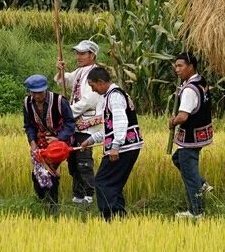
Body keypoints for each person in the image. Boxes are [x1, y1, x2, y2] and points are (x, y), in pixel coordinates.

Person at [88, 66, 143, 220]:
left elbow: (120, 121)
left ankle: (110, 216)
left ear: (100, 82)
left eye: (93, 86)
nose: (93, 90)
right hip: (127, 146)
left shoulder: (115, 96)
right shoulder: (113, 95)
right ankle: (118, 217)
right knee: (114, 183)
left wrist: (115, 146)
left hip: (123, 147)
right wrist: (92, 139)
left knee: (102, 181)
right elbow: (110, 126)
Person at [22, 74, 78, 214]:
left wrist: (58, 139)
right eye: (34, 93)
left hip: (60, 143)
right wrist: (32, 142)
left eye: (40, 92)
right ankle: (42, 202)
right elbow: (28, 125)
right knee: (37, 174)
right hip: (41, 141)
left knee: (49, 171)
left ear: (45, 90)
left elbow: (70, 123)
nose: (37, 96)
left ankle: (53, 207)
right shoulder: (27, 103)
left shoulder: (59, 101)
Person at [170, 51, 215, 219]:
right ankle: (202, 184)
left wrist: (172, 122)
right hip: (202, 133)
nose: (177, 69)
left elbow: (183, 116)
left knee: (189, 175)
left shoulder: (189, 89)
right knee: (177, 160)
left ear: (191, 66)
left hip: (190, 137)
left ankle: (196, 212)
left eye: (180, 66)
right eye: (176, 66)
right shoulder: (200, 80)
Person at [57, 40, 101, 205]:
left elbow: (89, 100)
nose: (78, 56)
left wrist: (68, 112)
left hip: (87, 124)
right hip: (74, 124)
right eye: (77, 53)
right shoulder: (80, 71)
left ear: (92, 55)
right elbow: (65, 81)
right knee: (73, 160)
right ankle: (78, 194)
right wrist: (61, 70)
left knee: (84, 160)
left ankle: (89, 194)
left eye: (82, 53)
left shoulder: (95, 73)